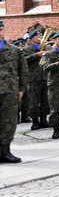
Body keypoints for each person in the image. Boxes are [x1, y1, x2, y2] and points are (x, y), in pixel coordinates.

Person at [0, 20, 28, 162]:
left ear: (2, 30)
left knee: (9, 121)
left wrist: (22, 89)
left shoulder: (14, 50)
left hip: (9, 91)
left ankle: (6, 151)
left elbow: (23, 71)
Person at [22, 30, 50, 131]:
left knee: (45, 100)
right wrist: (36, 55)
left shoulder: (46, 48)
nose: (40, 37)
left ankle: (44, 120)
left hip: (45, 77)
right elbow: (24, 61)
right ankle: (35, 121)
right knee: (34, 101)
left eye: (41, 35)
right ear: (32, 38)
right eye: (38, 35)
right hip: (33, 78)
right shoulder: (27, 49)